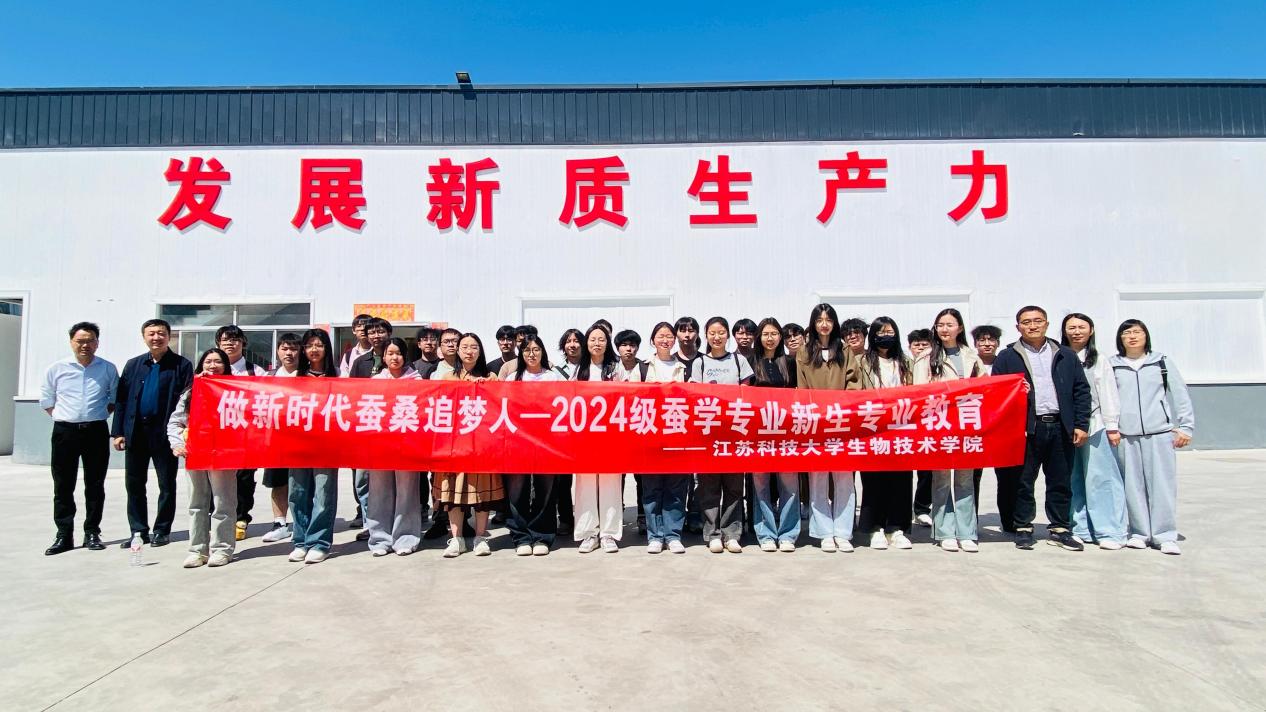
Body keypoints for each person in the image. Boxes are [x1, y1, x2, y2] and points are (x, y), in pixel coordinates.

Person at [991, 306, 1092, 551]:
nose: (1032, 326)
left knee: (1060, 480)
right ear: (1018, 327)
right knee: (1023, 481)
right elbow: (997, 393)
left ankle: (1060, 528)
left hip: (1060, 426)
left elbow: (1081, 390)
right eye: (1026, 322)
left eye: (1038, 321)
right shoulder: (1007, 357)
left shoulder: (1066, 355)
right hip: (1027, 428)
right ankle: (1023, 527)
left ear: (1046, 324)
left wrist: (1081, 424)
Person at [1110, 319, 1194, 555]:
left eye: (1137, 332)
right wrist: (1112, 427)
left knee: (1162, 485)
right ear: (1120, 338)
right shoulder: (1113, 365)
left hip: (1159, 433)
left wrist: (1186, 427)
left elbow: (1180, 395)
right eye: (1127, 333)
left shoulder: (1161, 362)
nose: (1132, 336)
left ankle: (1164, 535)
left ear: (1146, 336)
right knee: (1132, 485)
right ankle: (1139, 533)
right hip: (1126, 435)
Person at [112, 319, 194, 548]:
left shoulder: (182, 365)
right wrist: (118, 432)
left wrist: (182, 432)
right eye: (151, 333)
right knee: (134, 484)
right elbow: (121, 400)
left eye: (161, 333)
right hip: (136, 432)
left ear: (169, 337)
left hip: (164, 434)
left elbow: (188, 400)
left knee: (166, 484)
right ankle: (138, 531)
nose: (156, 337)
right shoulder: (133, 364)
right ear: (144, 337)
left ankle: (162, 530)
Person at [40, 322, 119, 555]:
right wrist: (64, 417)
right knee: (63, 485)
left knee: (95, 484)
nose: (85, 345)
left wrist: (99, 414)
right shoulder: (57, 368)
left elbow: (114, 398)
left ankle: (92, 532)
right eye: (80, 341)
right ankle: (64, 535)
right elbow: (47, 399)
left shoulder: (107, 368)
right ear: (71, 342)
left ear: (97, 343)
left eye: (90, 340)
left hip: (95, 431)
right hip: (65, 432)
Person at [913, 309, 984, 552]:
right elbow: (919, 393)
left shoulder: (971, 356)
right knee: (941, 480)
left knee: (965, 480)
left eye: (950, 324)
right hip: (940, 424)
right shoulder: (926, 357)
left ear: (959, 328)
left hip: (966, 424)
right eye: (940, 325)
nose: (944, 329)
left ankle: (967, 532)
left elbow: (985, 388)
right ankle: (944, 531)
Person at [796, 304, 863, 552]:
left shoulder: (844, 350)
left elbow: (854, 383)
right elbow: (802, 387)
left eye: (828, 320)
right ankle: (824, 531)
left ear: (834, 323)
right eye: (819, 320)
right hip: (815, 423)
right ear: (813, 324)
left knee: (844, 478)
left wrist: (842, 407)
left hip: (841, 422)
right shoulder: (804, 352)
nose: (824, 324)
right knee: (818, 478)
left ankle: (843, 531)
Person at [1061, 314, 1128, 549]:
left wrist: (1112, 426)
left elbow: (1108, 393)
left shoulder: (1098, 359)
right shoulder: (1059, 356)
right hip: (1066, 427)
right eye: (1071, 327)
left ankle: (1110, 531)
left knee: (1100, 478)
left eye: (1081, 327)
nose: (1076, 331)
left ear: (1091, 331)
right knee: (1073, 478)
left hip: (1096, 424)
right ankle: (1080, 528)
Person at [434, 333, 504, 557]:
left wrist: (486, 389)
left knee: (482, 495)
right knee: (453, 495)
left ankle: (480, 538)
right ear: (458, 350)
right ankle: (457, 539)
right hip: (455, 446)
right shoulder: (448, 378)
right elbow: (441, 410)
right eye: (464, 347)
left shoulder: (491, 377)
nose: (469, 351)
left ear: (480, 351)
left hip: (482, 446)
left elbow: (500, 409)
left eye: (474, 347)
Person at [167, 348, 238, 568]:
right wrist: (177, 443)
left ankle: (222, 549)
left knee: (223, 502)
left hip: (223, 454)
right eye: (208, 361)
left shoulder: (235, 390)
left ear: (226, 366)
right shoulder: (191, 391)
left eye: (218, 362)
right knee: (196, 503)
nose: (212, 366)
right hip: (195, 453)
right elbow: (175, 421)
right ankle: (197, 550)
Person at [691, 316, 754, 553]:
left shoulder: (739, 360)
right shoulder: (700, 363)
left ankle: (732, 533)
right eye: (712, 333)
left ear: (728, 335)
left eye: (721, 332)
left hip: (734, 431)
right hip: (708, 432)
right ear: (706, 336)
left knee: (734, 485)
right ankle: (712, 533)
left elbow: (746, 393)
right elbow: (696, 395)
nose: (716, 337)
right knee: (708, 485)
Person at [857, 317, 915, 551]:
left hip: (901, 428)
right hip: (873, 428)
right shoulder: (862, 362)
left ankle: (897, 527)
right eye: (880, 332)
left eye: (890, 332)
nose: (885, 336)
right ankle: (875, 527)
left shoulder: (906, 362)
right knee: (874, 480)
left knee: (901, 480)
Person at [503, 334, 564, 556]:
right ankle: (520, 537)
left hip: (547, 443)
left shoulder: (552, 377)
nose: (531, 354)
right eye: (527, 350)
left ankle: (542, 536)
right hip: (518, 443)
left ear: (542, 352)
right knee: (517, 491)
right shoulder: (513, 379)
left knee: (545, 490)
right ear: (521, 354)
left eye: (536, 349)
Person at [366, 338, 423, 556]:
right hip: (380, 445)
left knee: (407, 491)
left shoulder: (417, 381)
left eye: (398, 353)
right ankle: (380, 539)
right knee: (378, 491)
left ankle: (406, 537)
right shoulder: (375, 381)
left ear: (405, 356)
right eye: (390, 353)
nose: (394, 357)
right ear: (383, 357)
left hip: (407, 444)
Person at [639, 322, 692, 554]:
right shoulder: (642, 368)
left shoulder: (685, 368)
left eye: (669, 336)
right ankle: (655, 536)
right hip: (650, 436)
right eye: (660, 336)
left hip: (678, 436)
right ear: (653, 340)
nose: (665, 340)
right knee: (652, 488)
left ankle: (672, 535)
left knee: (676, 488)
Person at [288, 328, 340, 564]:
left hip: (327, 446)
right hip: (297, 444)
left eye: (319, 345)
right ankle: (300, 540)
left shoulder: (338, 376)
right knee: (297, 493)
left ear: (326, 348)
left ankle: (319, 542)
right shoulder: (294, 378)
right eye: (309, 345)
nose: (314, 349)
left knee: (323, 493)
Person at [571, 324, 623, 553]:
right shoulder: (578, 370)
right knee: (585, 485)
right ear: (586, 343)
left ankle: (609, 534)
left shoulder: (616, 368)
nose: (597, 343)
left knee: (611, 484)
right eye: (592, 339)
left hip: (611, 437)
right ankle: (588, 533)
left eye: (601, 339)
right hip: (585, 437)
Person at [750, 317, 799, 552]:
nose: (770, 338)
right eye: (765, 334)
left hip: (786, 432)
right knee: (760, 484)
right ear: (759, 337)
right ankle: (766, 533)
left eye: (774, 334)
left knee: (789, 484)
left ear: (781, 337)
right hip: (759, 432)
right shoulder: (750, 362)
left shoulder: (790, 363)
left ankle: (788, 533)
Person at [215, 325, 266, 542]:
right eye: (225, 340)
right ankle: (218, 518)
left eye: (235, 339)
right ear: (218, 343)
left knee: (244, 478)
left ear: (243, 343)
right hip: (218, 434)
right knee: (216, 479)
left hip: (246, 434)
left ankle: (241, 517)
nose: (230, 343)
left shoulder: (256, 371)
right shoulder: (211, 370)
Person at [347, 317, 393, 535]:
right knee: (363, 480)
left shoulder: (398, 358)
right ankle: (368, 521)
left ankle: (389, 521)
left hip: (391, 430)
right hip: (366, 429)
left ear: (389, 333)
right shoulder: (360, 362)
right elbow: (351, 395)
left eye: (380, 331)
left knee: (388, 481)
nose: (376, 336)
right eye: (372, 332)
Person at [260, 333, 301, 544]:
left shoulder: (308, 376)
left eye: (293, 348)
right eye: (285, 348)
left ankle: (302, 523)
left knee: (302, 483)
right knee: (278, 482)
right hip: (276, 439)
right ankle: (280, 523)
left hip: (304, 439)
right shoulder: (269, 377)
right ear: (278, 351)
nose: (289, 353)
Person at [612, 328, 648, 534]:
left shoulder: (645, 368)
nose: (628, 349)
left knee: (641, 477)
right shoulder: (610, 368)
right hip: (616, 431)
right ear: (618, 348)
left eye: (632, 345)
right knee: (618, 476)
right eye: (624, 345)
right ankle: (617, 512)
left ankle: (642, 516)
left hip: (639, 429)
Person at [673, 316, 705, 534]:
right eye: (682, 330)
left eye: (691, 330)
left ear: (697, 334)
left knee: (699, 476)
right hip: (676, 424)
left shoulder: (705, 360)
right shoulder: (669, 360)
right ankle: (677, 517)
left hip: (701, 423)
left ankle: (695, 515)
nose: (687, 334)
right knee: (679, 475)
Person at [907, 327, 935, 527]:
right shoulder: (904, 363)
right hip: (904, 422)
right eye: (916, 344)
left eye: (925, 344)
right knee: (904, 471)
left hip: (928, 422)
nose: (920, 348)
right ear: (910, 347)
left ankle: (922, 508)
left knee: (927, 470)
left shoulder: (933, 363)